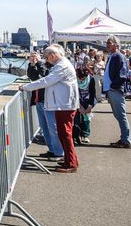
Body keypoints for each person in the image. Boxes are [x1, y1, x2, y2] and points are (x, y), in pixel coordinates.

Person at [20, 44, 79, 173]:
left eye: (47, 57)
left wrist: (26, 87)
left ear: (53, 55)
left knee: (65, 134)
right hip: (62, 104)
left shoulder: (62, 66)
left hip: (64, 105)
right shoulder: (61, 65)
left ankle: (71, 163)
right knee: (64, 134)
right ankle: (70, 160)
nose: (46, 60)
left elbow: (46, 81)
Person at [27, 51, 62, 157]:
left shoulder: (51, 66)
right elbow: (32, 76)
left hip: (48, 101)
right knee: (44, 127)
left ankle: (59, 152)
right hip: (39, 100)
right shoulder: (41, 65)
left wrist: (38, 63)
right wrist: (32, 64)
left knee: (53, 127)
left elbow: (44, 75)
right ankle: (52, 149)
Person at [103, 35, 131, 148]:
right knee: (118, 115)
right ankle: (124, 139)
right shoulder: (113, 56)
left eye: (109, 43)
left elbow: (123, 74)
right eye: (107, 43)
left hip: (115, 90)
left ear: (116, 44)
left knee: (121, 115)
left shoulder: (119, 56)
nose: (107, 45)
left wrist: (113, 87)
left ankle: (126, 140)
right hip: (112, 90)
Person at [74, 67, 96, 144]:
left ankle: (85, 135)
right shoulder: (74, 79)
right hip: (77, 100)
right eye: (80, 79)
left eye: (83, 78)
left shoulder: (91, 79)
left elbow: (92, 93)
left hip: (87, 100)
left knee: (86, 117)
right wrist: (79, 105)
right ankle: (76, 135)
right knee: (77, 118)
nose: (82, 80)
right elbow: (74, 93)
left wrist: (90, 105)